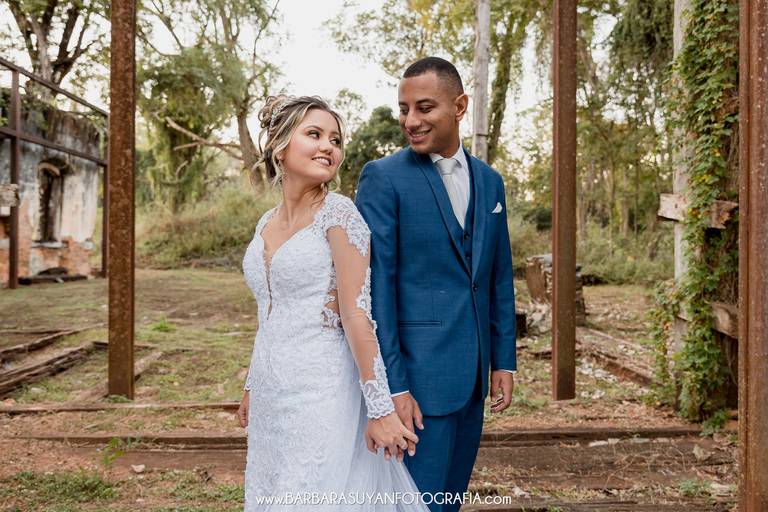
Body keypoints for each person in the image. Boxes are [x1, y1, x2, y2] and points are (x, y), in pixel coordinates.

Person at [237, 94, 429, 511]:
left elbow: (357, 314)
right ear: (280, 147)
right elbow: (267, 313)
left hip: (322, 389)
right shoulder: (265, 223)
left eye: (336, 140)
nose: (328, 146)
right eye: (314, 134)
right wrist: (253, 384)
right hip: (272, 393)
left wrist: (379, 409)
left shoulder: (340, 215)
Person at [355, 57, 518, 512]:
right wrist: (393, 387)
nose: (411, 120)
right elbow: (376, 292)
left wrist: (504, 360)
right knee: (414, 504)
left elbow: (497, 277)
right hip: (417, 384)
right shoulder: (384, 178)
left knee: (448, 501)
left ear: (460, 106)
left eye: (424, 108)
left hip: (473, 381)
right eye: (404, 109)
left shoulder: (491, 182)